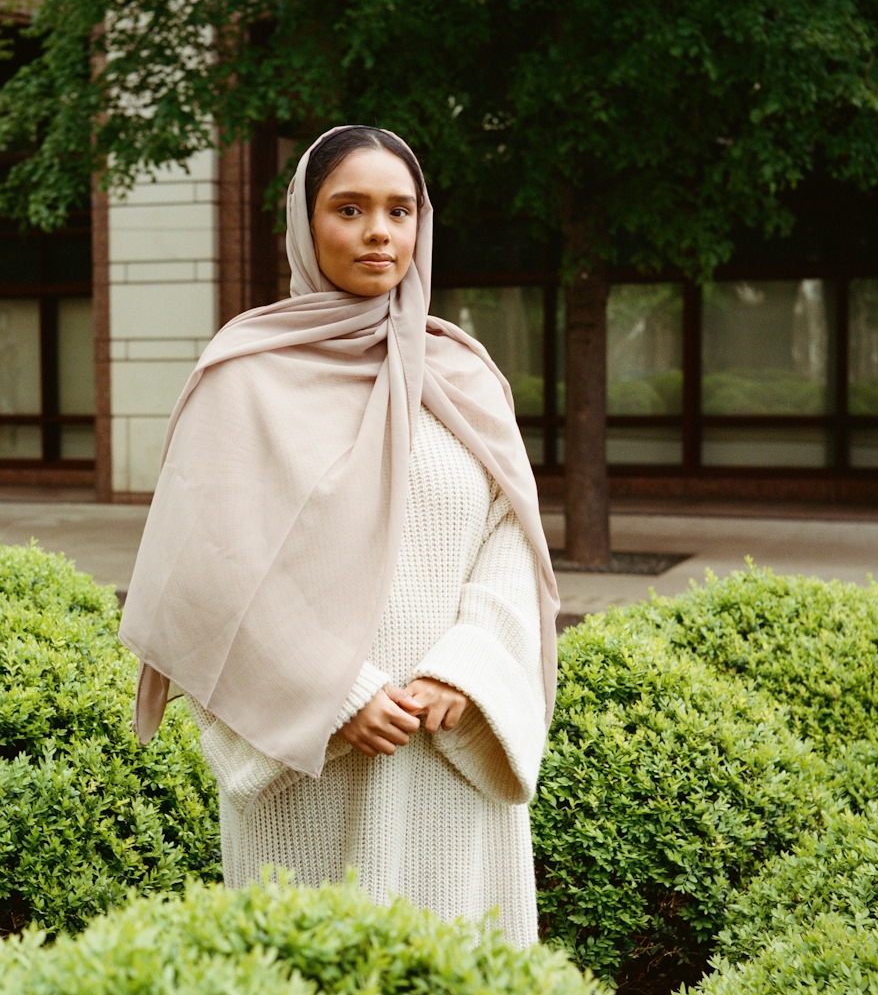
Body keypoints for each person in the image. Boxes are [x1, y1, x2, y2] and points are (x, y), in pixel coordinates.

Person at [119, 126, 560, 945]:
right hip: (311, 758)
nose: (379, 233)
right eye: (349, 208)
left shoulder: (461, 373)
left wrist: (460, 672)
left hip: (444, 748)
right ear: (305, 222)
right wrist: (337, 693)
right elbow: (209, 565)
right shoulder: (246, 375)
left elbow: (508, 534)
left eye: (401, 210)